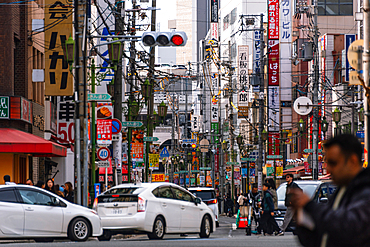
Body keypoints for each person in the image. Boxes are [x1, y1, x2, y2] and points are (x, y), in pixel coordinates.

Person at [291, 134, 370, 247]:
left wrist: (310, 205)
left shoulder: (365, 191)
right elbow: (323, 238)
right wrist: (302, 220)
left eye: (333, 163)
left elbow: (347, 227)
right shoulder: (342, 190)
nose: (328, 169)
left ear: (352, 160)